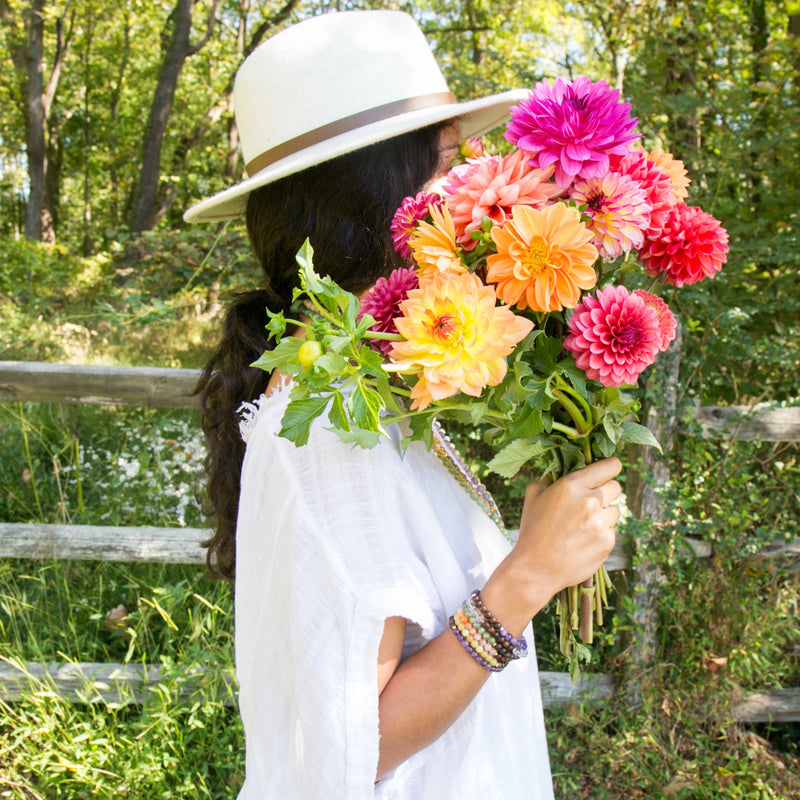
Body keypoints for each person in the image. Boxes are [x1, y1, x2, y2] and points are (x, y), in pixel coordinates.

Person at [186, 10, 622, 799]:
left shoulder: (361, 390)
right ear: (376, 193)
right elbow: (361, 741)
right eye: (450, 161)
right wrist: (527, 576)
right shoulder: (325, 426)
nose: (476, 188)